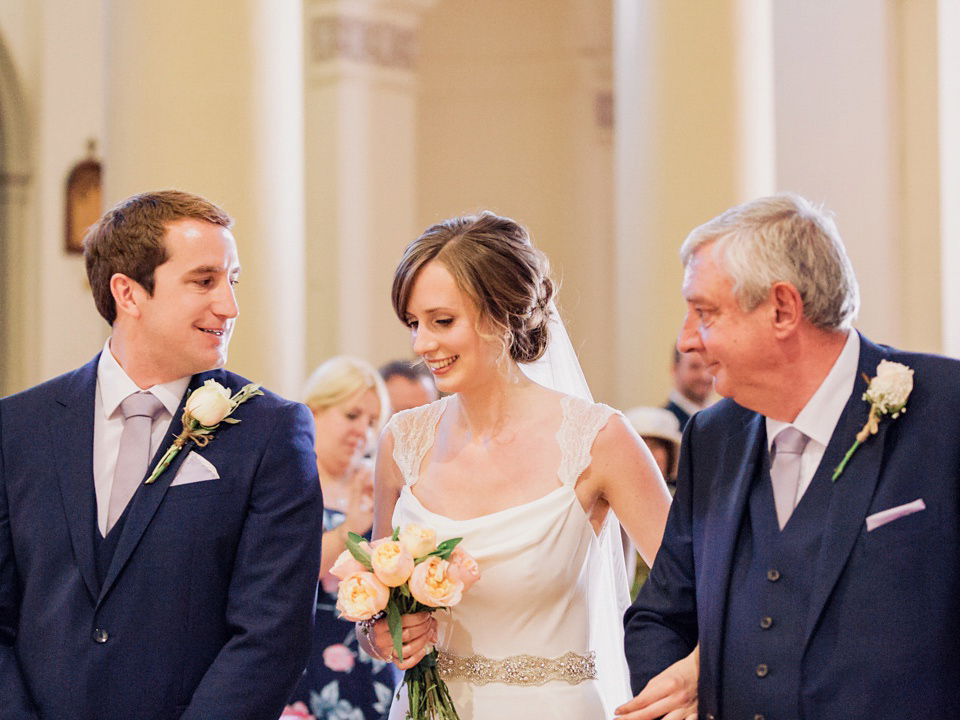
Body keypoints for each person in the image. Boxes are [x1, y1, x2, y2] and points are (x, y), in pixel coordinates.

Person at [621, 193, 960, 720]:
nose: (687, 340)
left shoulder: (947, 409)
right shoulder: (712, 438)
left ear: (782, 309)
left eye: (704, 312)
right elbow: (660, 617)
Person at [0, 190, 323, 720]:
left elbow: (271, 635)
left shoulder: (271, 432)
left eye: (231, 281)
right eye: (204, 281)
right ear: (128, 294)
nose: (229, 306)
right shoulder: (18, 428)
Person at [360, 211, 688, 720]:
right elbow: (379, 611)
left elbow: (690, 588)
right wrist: (382, 634)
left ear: (503, 313)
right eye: (414, 323)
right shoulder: (401, 443)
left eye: (442, 321)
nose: (421, 345)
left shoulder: (597, 439)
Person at [283, 356, 395, 720]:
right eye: (352, 415)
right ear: (313, 412)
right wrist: (351, 527)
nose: (362, 431)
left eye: (372, 421)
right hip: (305, 663)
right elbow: (285, 571)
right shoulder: (287, 483)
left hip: (371, 664)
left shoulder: (378, 483)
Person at [663, 347, 713, 430]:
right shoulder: (663, 427)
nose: (705, 376)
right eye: (694, 367)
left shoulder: (726, 418)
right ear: (675, 370)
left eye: (709, 367)